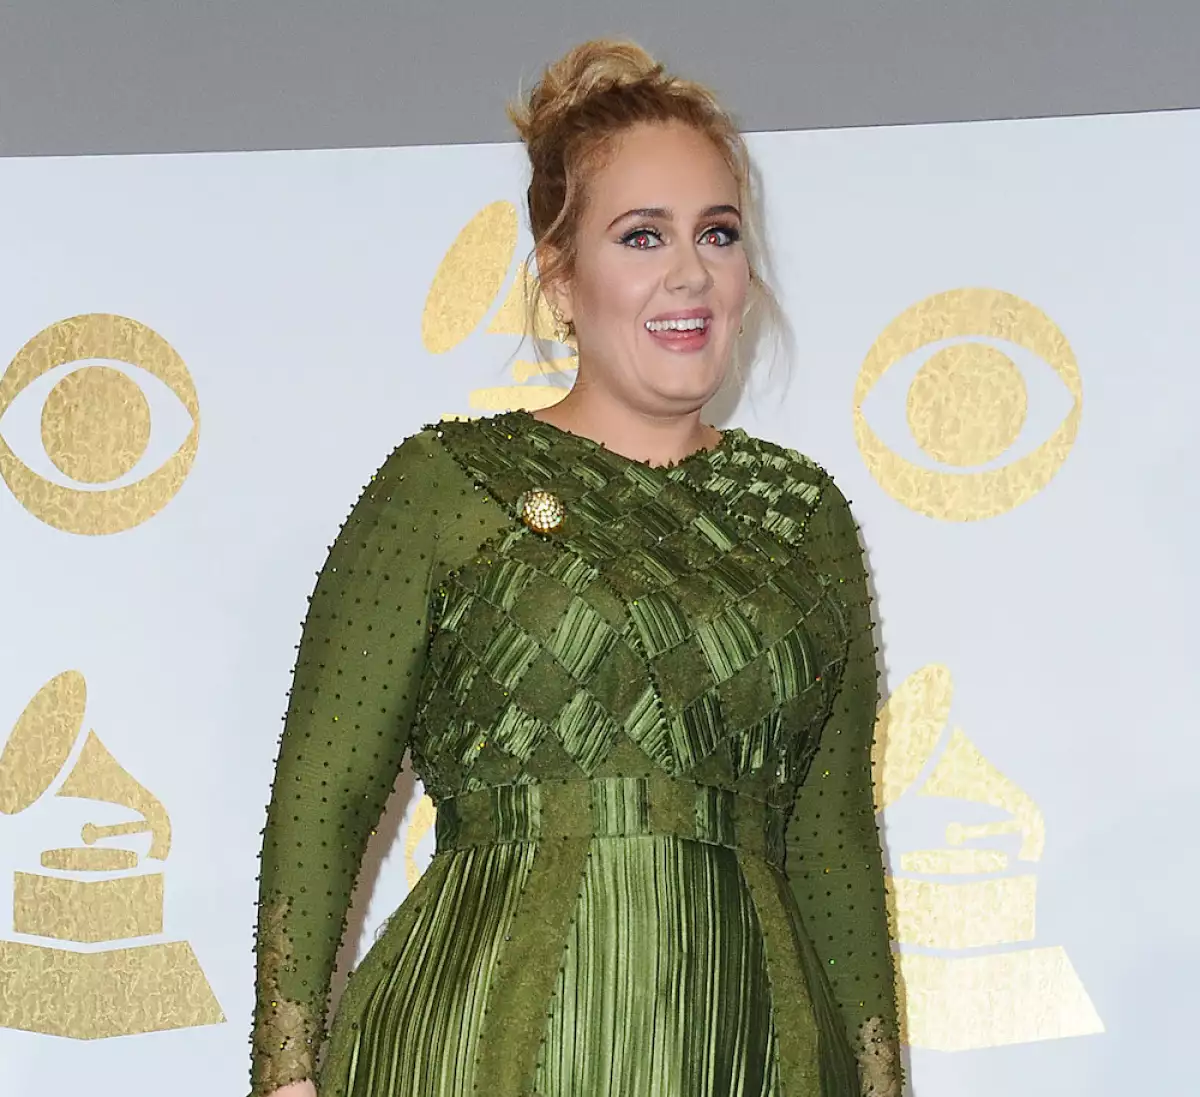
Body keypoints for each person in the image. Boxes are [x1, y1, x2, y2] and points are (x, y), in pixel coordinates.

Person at [250, 38, 903, 1097]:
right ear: (559, 278)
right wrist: (285, 1073)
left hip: (754, 1054)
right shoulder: (445, 486)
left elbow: (832, 849)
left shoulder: (804, 514)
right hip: (478, 1049)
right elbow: (323, 796)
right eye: (642, 235)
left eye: (718, 232)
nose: (690, 272)